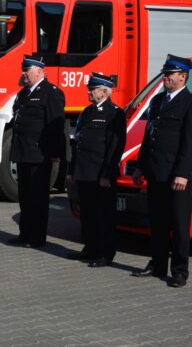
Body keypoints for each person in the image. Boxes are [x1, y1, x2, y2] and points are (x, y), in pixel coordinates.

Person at [132, 54, 192, 288]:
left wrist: (183, 173)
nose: (165, 78)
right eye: (165, 74)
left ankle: (180, 270)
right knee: (158, 222)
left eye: (169, 74)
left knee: (179, 224)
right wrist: (140, 167)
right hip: (156, 171)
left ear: (183, 77)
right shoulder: (158, 102)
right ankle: (157, 264)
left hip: (177, 175)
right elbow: (149, 137)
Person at [67, 72, 126, 267]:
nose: (89, 93)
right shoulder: (87, 112)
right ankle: (90, 247)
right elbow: (77, 142)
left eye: (92, 89)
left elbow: (115, 146)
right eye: (89, 89)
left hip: (100, 173)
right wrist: (73, 170)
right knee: (88, 214)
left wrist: (107, 174)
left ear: (104, 91)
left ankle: (105, 253)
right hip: (84, 172)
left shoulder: (114, 113)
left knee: (104, 215)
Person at [8, 56, 66, 247]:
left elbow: (55, 126)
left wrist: (55, 153)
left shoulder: (51, 93)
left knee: (38, 198)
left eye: (28, 70)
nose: (24, 73)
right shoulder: (24, 93)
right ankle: (25, 234)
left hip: (40, 154)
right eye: (23, 70)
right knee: (25, 197)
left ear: (40, 72)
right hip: (24, 152)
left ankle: (37, 237)